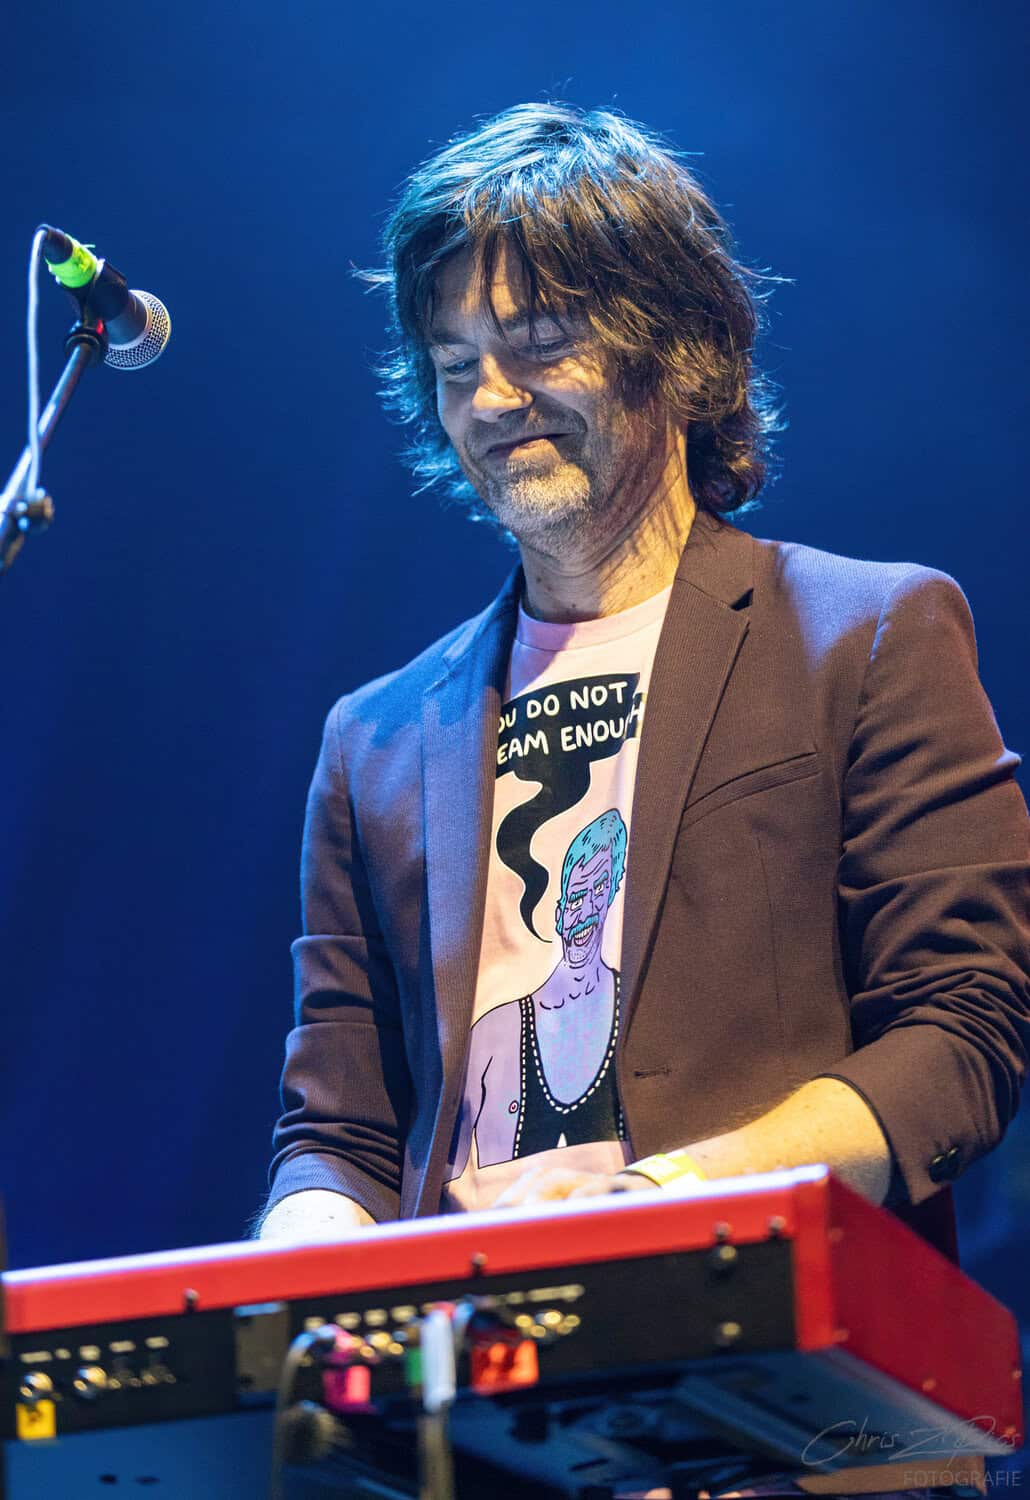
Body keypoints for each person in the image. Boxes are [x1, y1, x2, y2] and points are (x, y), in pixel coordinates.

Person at [258, 101, 1028, 1492]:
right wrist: (292, 1292)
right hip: (468, 1442)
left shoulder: (864, 634)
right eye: (454, 365)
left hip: (788, 1426)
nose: (491, 402)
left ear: (675, 348)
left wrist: (660, 1206)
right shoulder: (373, 738)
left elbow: (963, 1031)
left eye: (539, 344)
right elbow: (339, 1133)